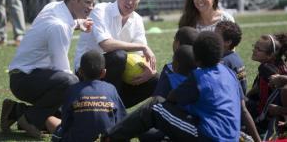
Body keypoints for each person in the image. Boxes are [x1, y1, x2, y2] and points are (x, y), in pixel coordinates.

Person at [0, 0, 100, 138]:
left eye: (92, 3)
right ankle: (29, 120)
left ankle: (15, 110)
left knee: (65, 115)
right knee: (71, 84)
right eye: (88, 2)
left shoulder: (54, 6)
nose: (91, 7)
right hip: (25, 81)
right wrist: (82, 97)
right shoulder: (59, 26)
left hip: (23, 76)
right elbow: (62, 71)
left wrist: (78, 23)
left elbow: (66, 21)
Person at [100, 31, 241, 141]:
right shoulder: (228, 72)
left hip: (209, 137)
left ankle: (110, 137)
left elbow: (171, 98)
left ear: (196, 58)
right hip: (231, 136)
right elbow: (244, 110)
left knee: (155, 107)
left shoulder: (200, 77)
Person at [74, 0, 157, 108]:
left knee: (155, 80)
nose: (130, 2)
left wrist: (150, 70)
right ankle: (113, 110)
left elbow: (141, 56)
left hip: (115, 76)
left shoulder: (138, 20)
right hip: (86, 73)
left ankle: (115, 108)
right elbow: (106, 44)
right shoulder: (100, 10)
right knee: (119, 56)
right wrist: (143, 46)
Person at [47, 50, 127, 142]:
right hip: (107, 139)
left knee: (50, 119)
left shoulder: (72, 90)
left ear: (80, 71)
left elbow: (65, 123)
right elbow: (121, 119)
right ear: (104, 72)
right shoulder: (111, 88)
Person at [215, 21, 261, 142]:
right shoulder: (234, 57)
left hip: (229, 114)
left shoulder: (223, 63)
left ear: (227, 42)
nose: (212, 36)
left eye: (216, 34)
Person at [246, 33, 287, 133]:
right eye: (254, 46)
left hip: (267, 117)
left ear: (270, 55)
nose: (253, 50)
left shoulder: (266, 68)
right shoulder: (279, 63)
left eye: (258, 49)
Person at [153, 26, 198, 98]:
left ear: (177, 44)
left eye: (174, 39)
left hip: (173, 107)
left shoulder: (170, 70)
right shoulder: (203, 70)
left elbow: (158, 98)